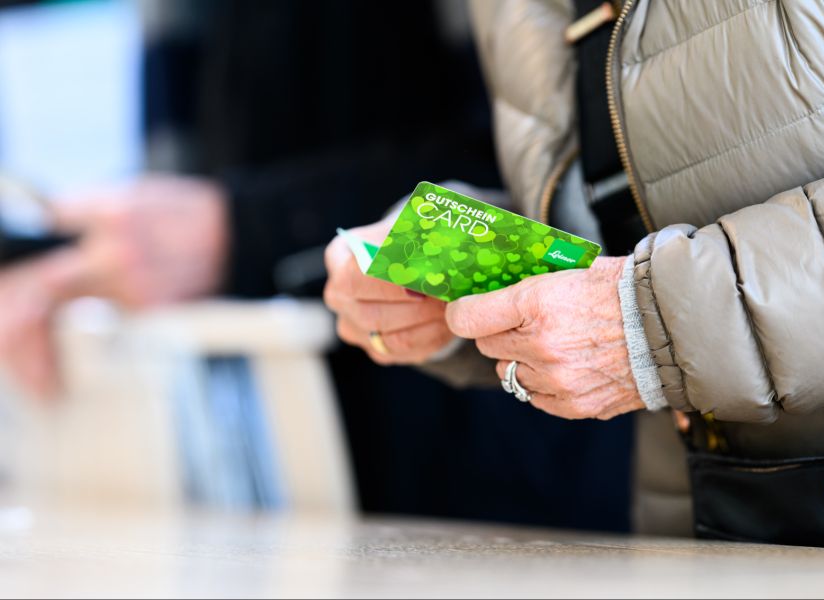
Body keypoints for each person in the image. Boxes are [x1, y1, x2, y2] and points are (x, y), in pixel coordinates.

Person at [0, 0, 634, 532]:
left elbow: (564, 179)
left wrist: (244, 229)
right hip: (271, 420)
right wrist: (105, 262)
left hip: (521, 446)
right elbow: (176, 158)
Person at [324, 0, 824, 549]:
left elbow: (640, 296)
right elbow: (630, 221)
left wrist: (657, 322)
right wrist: (456, 268)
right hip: (710, 515)